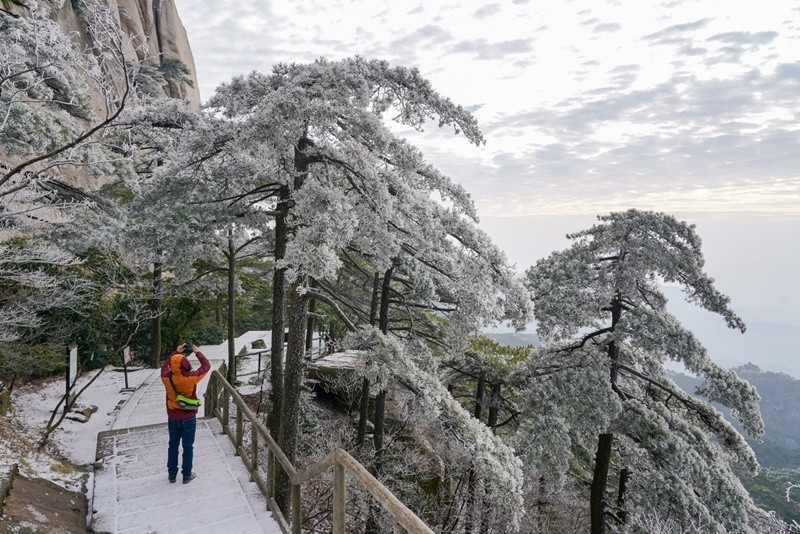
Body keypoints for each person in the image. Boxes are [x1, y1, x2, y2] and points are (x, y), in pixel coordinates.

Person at [160, 343, 210, 484]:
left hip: (173, 416)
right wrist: (198, 352)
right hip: (188, 417)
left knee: (173, 445)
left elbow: (165, 365)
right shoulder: (192, 377)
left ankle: (172, 474)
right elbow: (206, 366)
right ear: (186, 364)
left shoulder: (166, 377)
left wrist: (175, 352)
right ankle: (187, 474)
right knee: (188, 447)